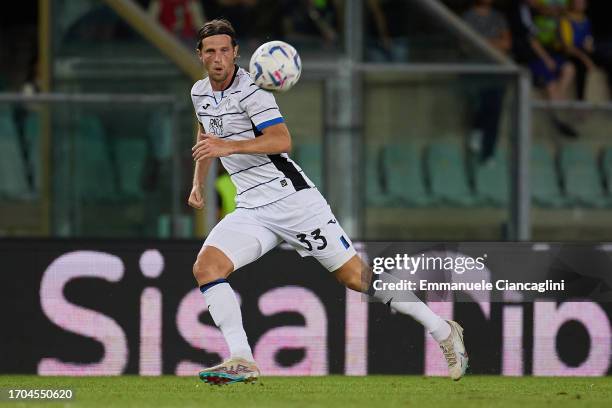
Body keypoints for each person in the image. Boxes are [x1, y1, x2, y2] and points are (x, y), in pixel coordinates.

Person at [187, 19, 468, 385]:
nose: (219, 58)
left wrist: (231, 146)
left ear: (236, 52)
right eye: (211, 51)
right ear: (200, 55)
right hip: (252, 209)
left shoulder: (253, 92)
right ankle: (242, 358)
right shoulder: (199, 92)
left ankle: (442, 330)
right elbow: (208, 132)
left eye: (225, 50)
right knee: (207, 268)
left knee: (355, 277)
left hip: (294, 202)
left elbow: (281, 140)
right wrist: (199, 181)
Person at [462, 0, 512, 164]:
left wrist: (484, 42)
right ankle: (477, 130)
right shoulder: (468, 17)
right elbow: (467, 44)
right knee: (482, 101)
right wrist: (493, 43)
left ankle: (489, 152)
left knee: (496, 106)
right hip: (476, 68)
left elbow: (506, 43)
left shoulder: (498, 17)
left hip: (496, 69)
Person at [560, 0, 594, 100]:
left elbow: (588, 39)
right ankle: (581, 100)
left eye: (582, 2)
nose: (580, 4)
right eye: (578, 2)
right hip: (571, 54)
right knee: (580, 65)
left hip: (583, 51)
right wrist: (585, 59)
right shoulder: (566, 20)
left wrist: (590, 45)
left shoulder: (586, 20)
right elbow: (567, 47)